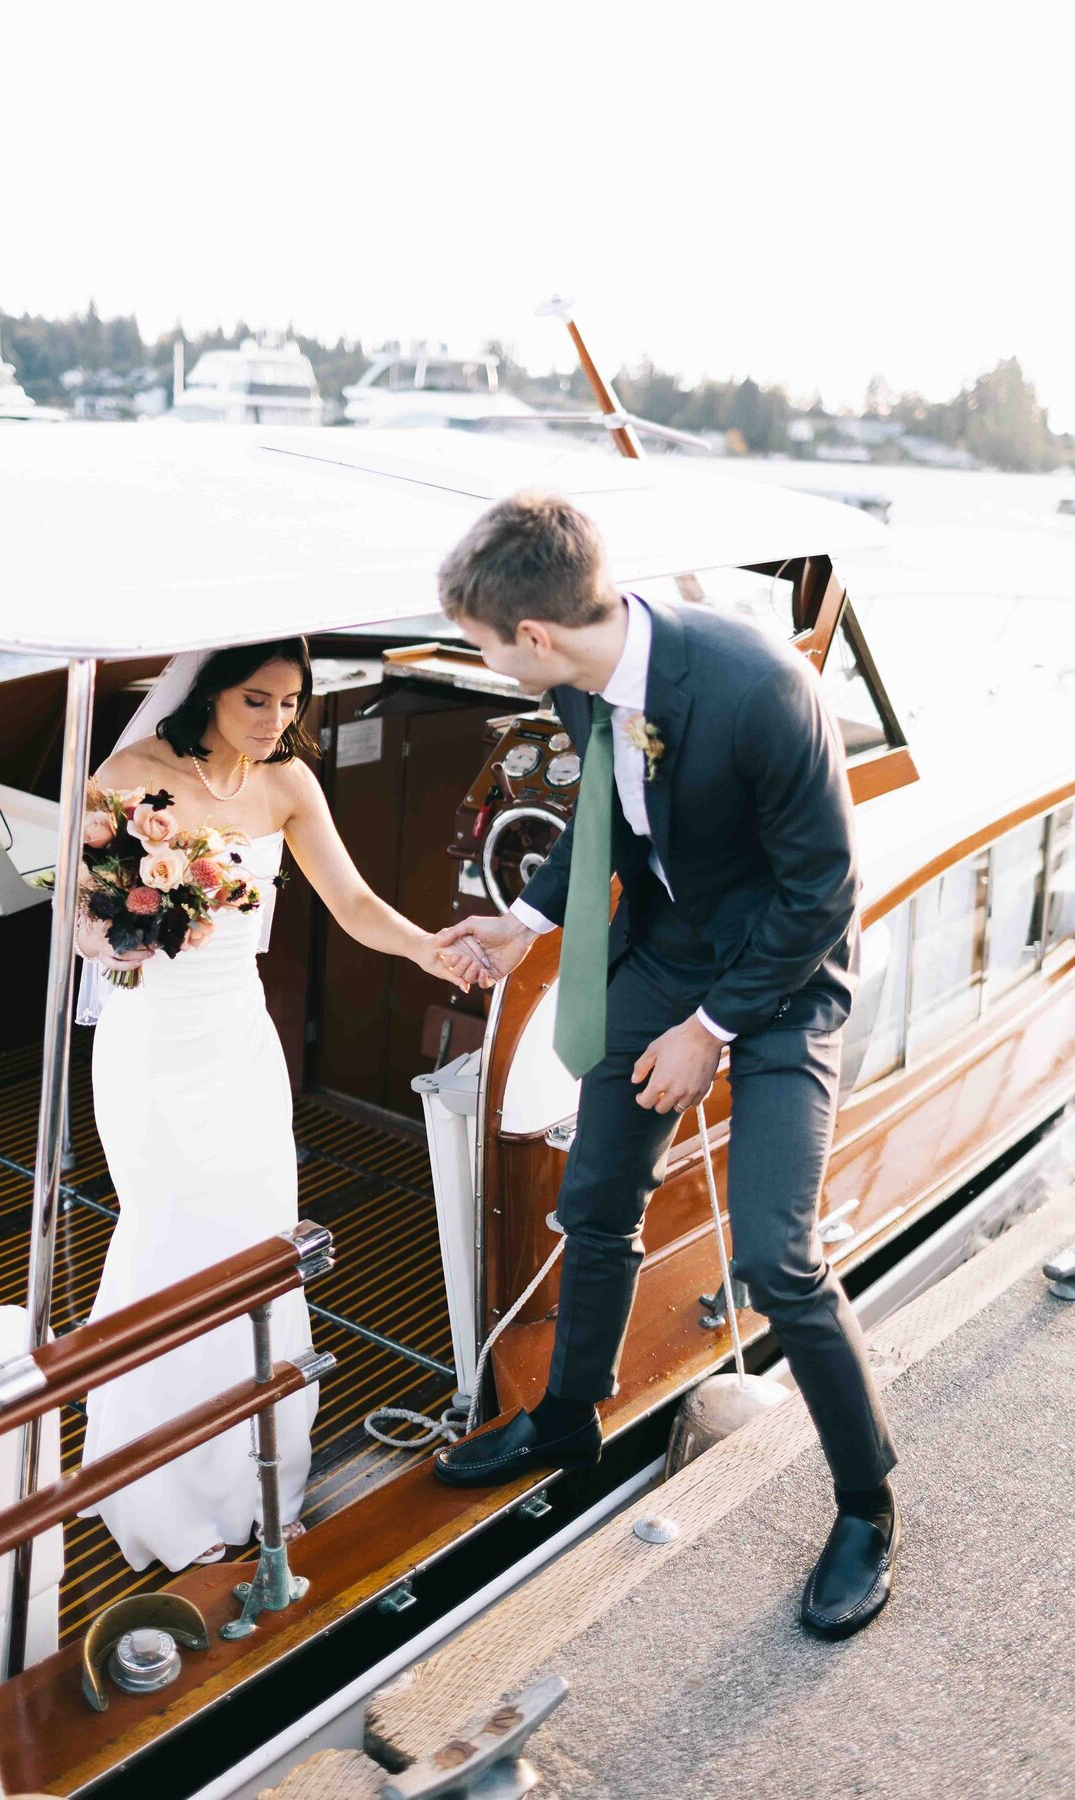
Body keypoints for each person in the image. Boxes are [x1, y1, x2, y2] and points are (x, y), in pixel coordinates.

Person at [431, 493, 900, 1641]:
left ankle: (869, 1506)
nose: (489, 663)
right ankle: (567, 1420)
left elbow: (821, 889)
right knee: (594, 1205)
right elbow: (616, 808)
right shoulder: (593, 676)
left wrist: (712, 1032)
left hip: (780, 985)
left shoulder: (759, 685)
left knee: (780, 1262)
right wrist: (528, 922)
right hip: (662, 957)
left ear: (532, 637)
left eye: (485, 645)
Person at [76, 639, 489, 1572]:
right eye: (255, 701)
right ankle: (158, 1487)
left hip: (237, 1041)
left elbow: (351, 901)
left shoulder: (291, 781)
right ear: (210, 694)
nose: (273, 722)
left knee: (254, 1239)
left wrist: (428, 949)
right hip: (152, 1045)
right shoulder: (131, 776)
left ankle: (257, 1477)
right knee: (168, 1232)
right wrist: (144, 917)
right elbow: (89, 928)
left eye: (289, 704)